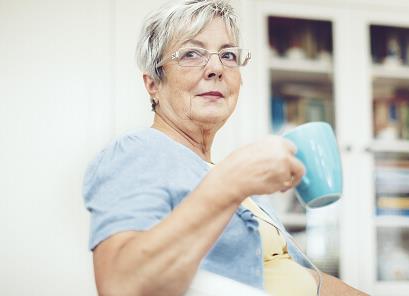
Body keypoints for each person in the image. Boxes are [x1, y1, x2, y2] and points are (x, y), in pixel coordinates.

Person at [83, 1, 368, 295]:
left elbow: (290, 275)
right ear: (153, 83)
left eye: (228, 55)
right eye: (192, 53)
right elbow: (121, 286)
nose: (217, 68)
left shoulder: (242, 187)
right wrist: (230, 182)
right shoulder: (138, 151)